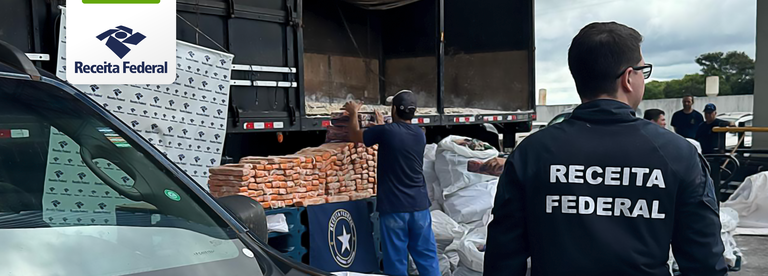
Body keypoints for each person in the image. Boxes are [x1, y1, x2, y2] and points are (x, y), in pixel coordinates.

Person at [484, 22, 727, 276]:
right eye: (643, 71)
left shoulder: (531, 153)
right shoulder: (677, 154)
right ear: (628, 78)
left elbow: (503, 258)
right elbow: (704, 263)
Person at [343, 90, 440, 276]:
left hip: (395, 208)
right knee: (427, 257)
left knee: (396, 261)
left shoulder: (385, 132)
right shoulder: (419, 134)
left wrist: (353, 112)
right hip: (419, 207)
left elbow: (355, 135)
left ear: (394, 109)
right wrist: (382, 127)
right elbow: (397, 137)